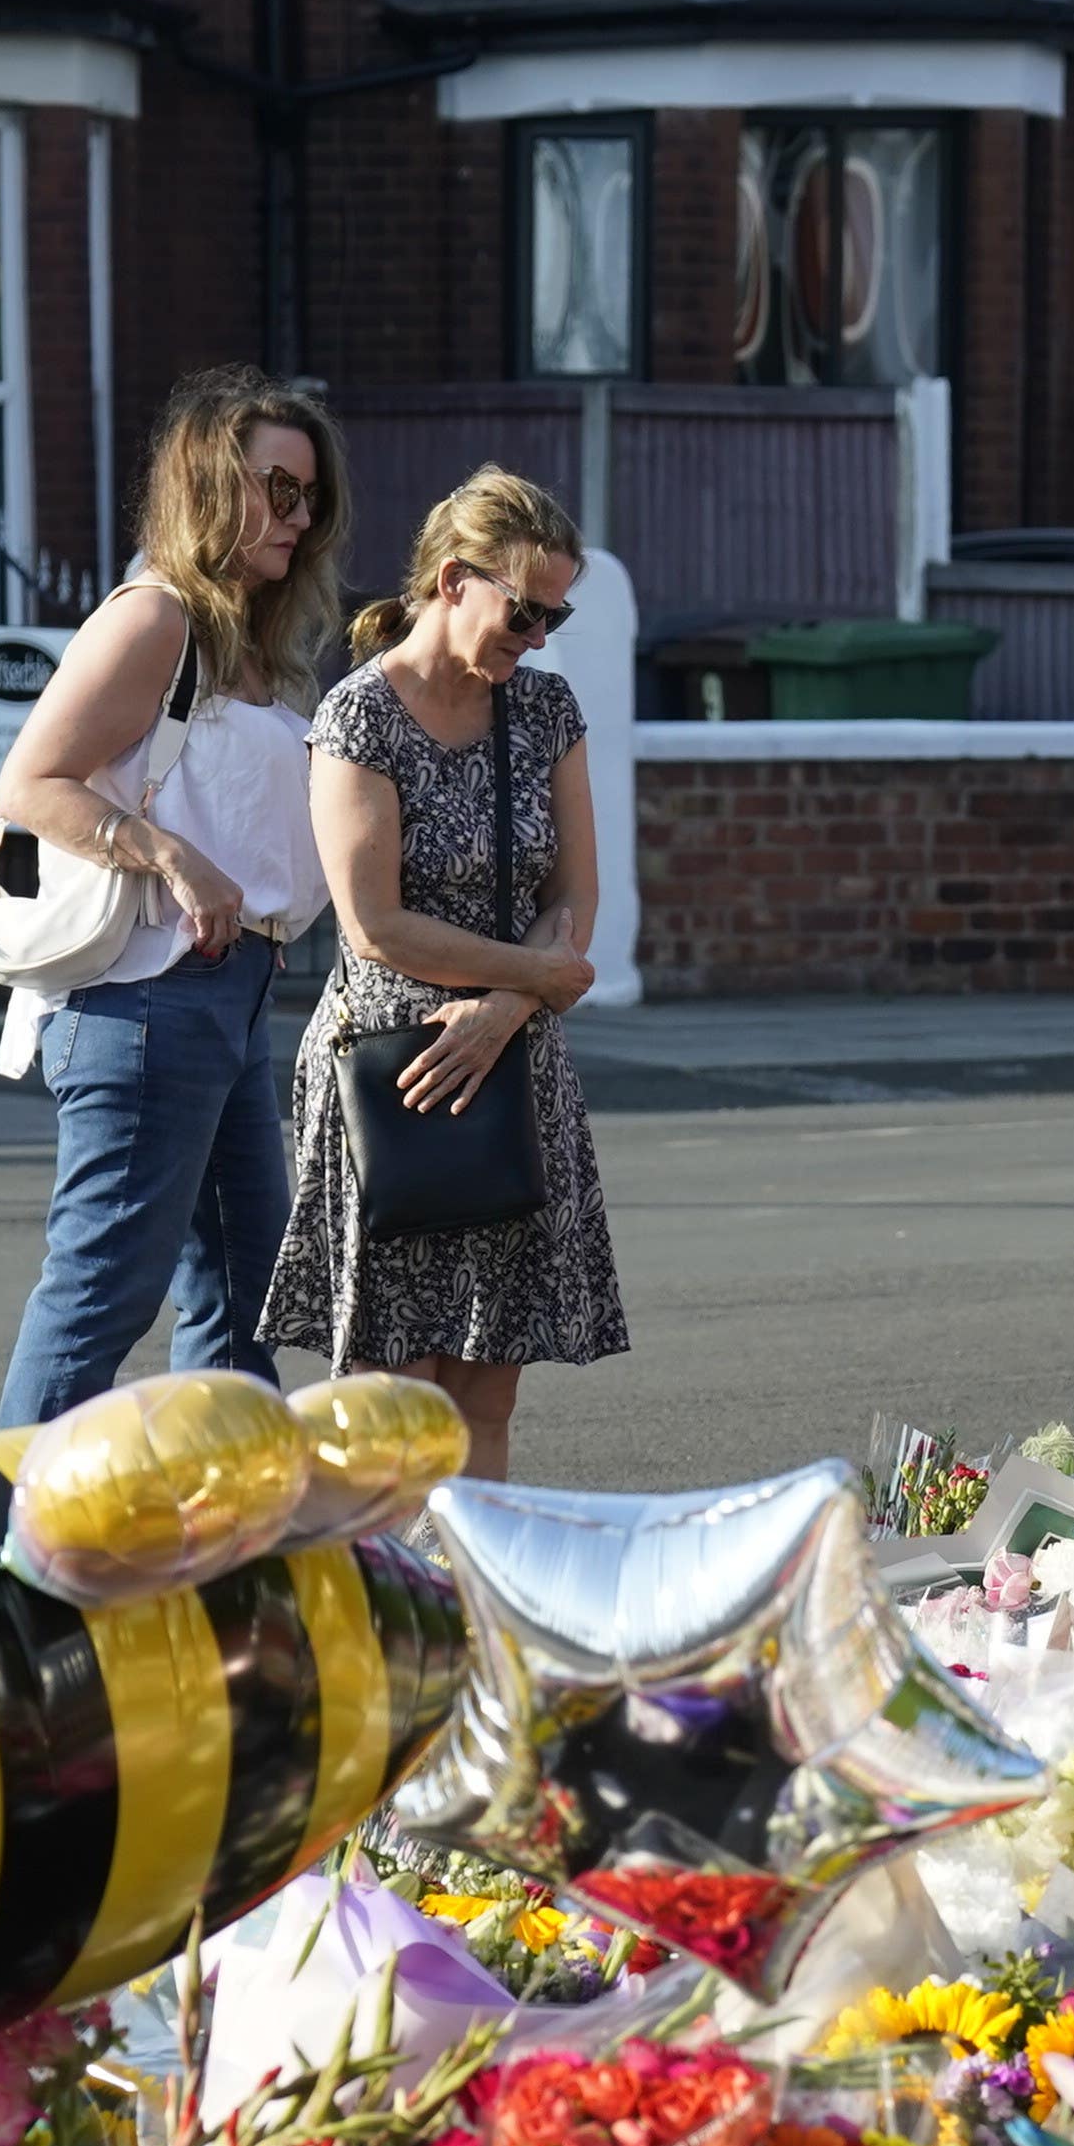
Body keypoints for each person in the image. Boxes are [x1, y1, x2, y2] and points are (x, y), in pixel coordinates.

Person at [0, 367, 346, 1424]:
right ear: (209, 486)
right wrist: (172, 857)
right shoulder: (155, 620)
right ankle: (4, 1547)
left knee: (241, 1298)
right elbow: (28, 783)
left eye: (310, 495)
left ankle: (226, 1544)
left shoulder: (257, 645)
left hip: (232, 996)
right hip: (144, 999)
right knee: (103, 1295)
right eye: (279, 489)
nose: (301, 516)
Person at [266, 468, 617, 1483]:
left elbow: (575, 893)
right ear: (456, 579)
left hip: (509, 1063)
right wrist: (541, 976)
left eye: (556, 614)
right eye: (525, 611)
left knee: (485, 1390)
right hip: (398, 1074)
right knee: (390, 1395)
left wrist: (509, 1007)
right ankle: (373, 1615)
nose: (539, 637)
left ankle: (469, 1615)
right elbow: (375, 926)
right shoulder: (359, 716)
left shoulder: (545, 710)